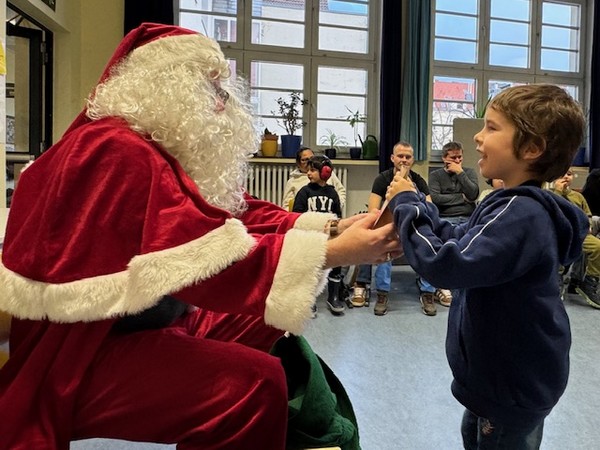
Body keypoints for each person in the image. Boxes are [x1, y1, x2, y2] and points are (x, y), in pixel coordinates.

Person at [0, 23, 401, 449]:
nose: (225, 102)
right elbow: (196, 257)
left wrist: (333, 227)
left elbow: (235, 213)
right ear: (168, 87)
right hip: (80, 354)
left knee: (265, 322)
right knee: (255, 386)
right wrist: (333, 253)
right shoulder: (116, 150)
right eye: (212, 87)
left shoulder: (153, 148)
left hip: (142, 323)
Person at [385, 84, 588, 449]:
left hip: (509, 391)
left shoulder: (521, 213)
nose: (478, 137)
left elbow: (446, 264)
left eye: (492, 128)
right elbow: (461, 236)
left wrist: (407, 209)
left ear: (531, 148)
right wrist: (419, 203)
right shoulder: (507, 204)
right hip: (495, 386)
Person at [350, 141, 451, 316]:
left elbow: (429, 209)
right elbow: (373, 209)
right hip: (390, 225)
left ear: (412, 160)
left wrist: (411, 192)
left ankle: (428, 292)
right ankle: (382, 293)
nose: (404, 160)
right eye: (400, 156)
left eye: (408, 157)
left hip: (412, 225)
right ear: (392, 158)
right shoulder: (383, 179)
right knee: (386, 241)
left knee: (428, 243)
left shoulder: (419, 181)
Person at [293, 156, 345, 315]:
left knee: (336, 264)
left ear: (325, 172)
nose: (308, 173)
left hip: (328, 236)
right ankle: (310, 300)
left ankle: (333, 296)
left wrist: (337, 235)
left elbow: (337, 216)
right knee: (311, 268)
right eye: (307, 170)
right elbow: (297, 216)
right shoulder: (304, 192)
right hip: (310, 237)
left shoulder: (332, 193)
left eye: (313, 170)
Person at [552, 168, 600, 308]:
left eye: (569, 174)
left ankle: (589, 282)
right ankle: (557, 278)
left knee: (598, 246)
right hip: (558, 234)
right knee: (557, 247)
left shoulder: (578, 197)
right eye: (562, 174)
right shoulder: (550, 195)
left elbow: (588, 214)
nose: (566, 177)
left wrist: (589, 225)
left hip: (578, 233)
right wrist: (558, 192)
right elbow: (553, 212)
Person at [429, 141, 480, 224]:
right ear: (444, 158)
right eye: (453, 157)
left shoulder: (469, 172)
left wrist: (460, 172)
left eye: (459, 157)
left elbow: (473, 195)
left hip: (468, 217)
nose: (457, 161)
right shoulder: (435, 175)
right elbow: (436, 198)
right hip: (445, 218)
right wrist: (462, 197)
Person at [281, 147, 346, 211]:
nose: (309, 162)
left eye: (311, 158)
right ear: (298, 163)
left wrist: (336, 205)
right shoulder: (293, 182)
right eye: (304, 160)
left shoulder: (328, 176)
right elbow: (287, 206)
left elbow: (341, 191)